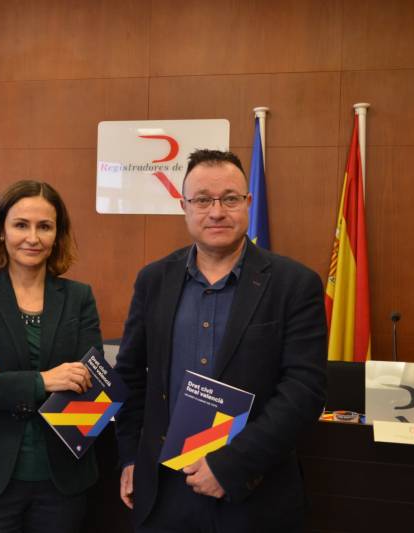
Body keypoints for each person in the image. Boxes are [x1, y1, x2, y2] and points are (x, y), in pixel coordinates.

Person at [115, 149, 327, 533]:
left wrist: (230, 466)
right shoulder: (153, 280)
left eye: (230, 199)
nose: (216, 212)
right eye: (202, 200)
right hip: (163, 491)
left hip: (252, 491)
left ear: (248, 203)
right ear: (184, 206)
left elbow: (304, 390)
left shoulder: (294, 284)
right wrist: (130, 457)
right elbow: (130, 376)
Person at [0, 180, 103, 533]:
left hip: (62, 476)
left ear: (57, 235)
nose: (33, 237)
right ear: (1, 231)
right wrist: (44, 380)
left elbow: (90, 386)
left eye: (44, 226)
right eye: (21, 225)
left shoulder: (79, 298)